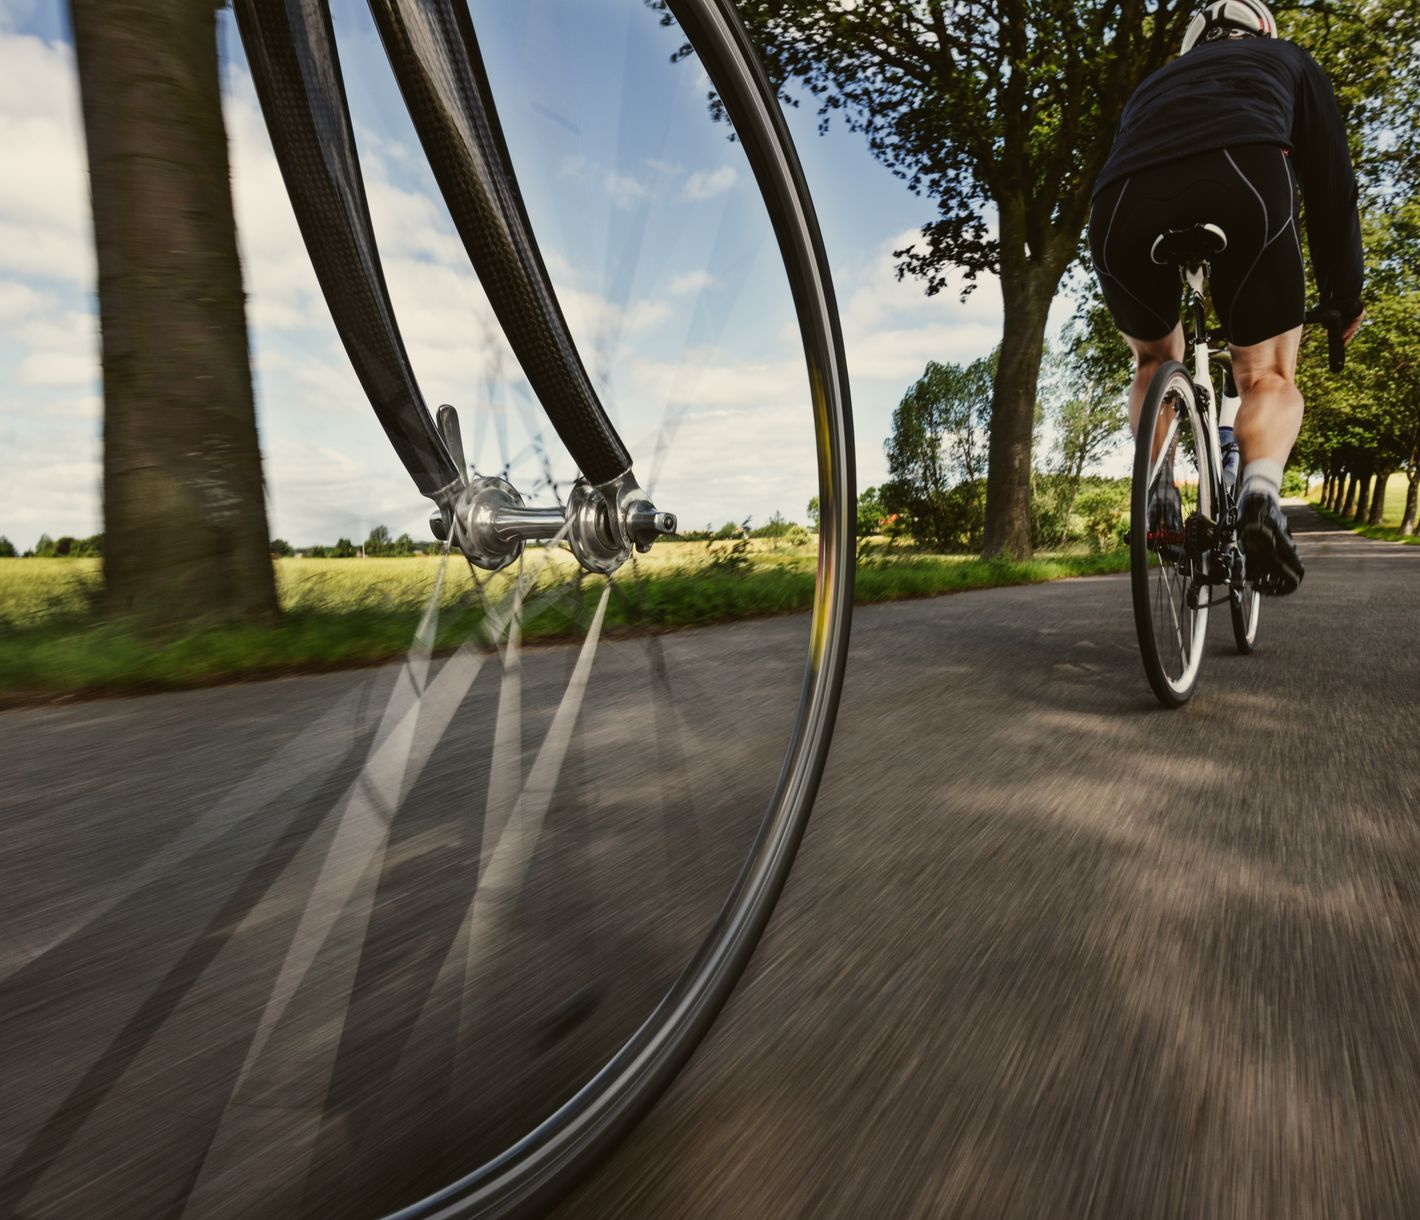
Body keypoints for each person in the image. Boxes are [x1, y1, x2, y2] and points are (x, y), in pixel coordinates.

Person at [1089, 0, 1365, 595]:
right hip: (1246, 174)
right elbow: (1332, 185)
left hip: (1121, 203)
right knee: (1265, 375)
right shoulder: (1287, 58)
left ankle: (1156, 494)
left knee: (1153, 361)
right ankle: (1261, 499)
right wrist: (1344, 295)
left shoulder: (1152, 84)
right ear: (1261, 31)